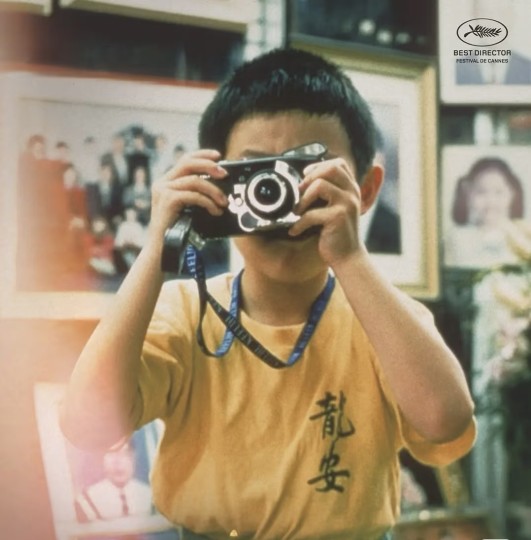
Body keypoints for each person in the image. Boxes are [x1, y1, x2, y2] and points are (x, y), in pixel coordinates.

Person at [60, 48, 476, 539]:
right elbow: (87, 425)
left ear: (365, 190)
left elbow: (445, 421)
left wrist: (350, 258)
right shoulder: (186, 312)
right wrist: (158, 247)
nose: (280, 199)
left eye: (307, 173)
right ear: (214, 185)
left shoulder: (384, 320)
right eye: (257, 176)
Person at [445, 156, 524, 268]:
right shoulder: (456, 238)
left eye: (499, 192)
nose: (490, 201)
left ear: (512, 194)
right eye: (481, 192)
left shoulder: (522, 237)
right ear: (469, 194)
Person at [75, 440, 154, 522]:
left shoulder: (151, 495)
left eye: (125, 454)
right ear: (102, 460)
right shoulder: (86, 500)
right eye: (111, 453)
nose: (117, 461)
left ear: (133, 458)